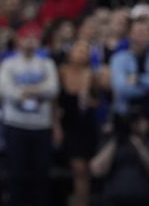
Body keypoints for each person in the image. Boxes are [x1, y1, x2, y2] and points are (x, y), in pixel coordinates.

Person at [0, 21, 59, 206]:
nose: (30, 41)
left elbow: (53, 88)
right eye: (26, 37)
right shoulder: (8, 64)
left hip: (41, 126)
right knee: (16, 174)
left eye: (34, 37)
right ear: (18, 40)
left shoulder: (47, 63)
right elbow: (3, 89)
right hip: (15, 125)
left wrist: (26, 91)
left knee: (41, 175)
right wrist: (31, 92)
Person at [89, 104, 149, 206]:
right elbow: (96, 170)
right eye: (133, 120)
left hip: (144, 200)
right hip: (113, 201)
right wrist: (117, 140)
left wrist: (139, 146)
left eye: (140, 120)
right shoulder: (112, 143)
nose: (136, 124)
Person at [56, 39, 101, 206]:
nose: (83, 54)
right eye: (79, 50)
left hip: (86, 125)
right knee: (78, 168)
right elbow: (55, 102)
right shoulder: (61, 72)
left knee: (84, 170)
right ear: (71, 52)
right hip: (69, 125)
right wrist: (56, 126)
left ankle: (82, 201)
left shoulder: (91, 75)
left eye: (86, 51)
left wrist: (91, 101)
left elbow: (98, 100)